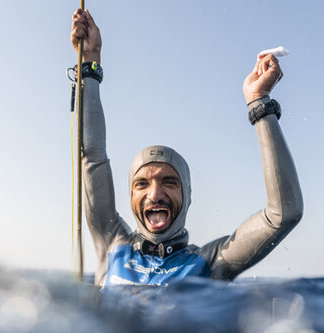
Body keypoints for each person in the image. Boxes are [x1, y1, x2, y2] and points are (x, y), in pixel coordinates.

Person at [70, 9, 303, 286]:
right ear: (129, 194)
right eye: (141, 184)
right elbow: (92, 157)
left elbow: (283, 214)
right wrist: (90, 62)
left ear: (187, 193)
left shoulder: (212, 262)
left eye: (169, 181)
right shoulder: (112, 243)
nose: (154, 195)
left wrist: (259, 102)